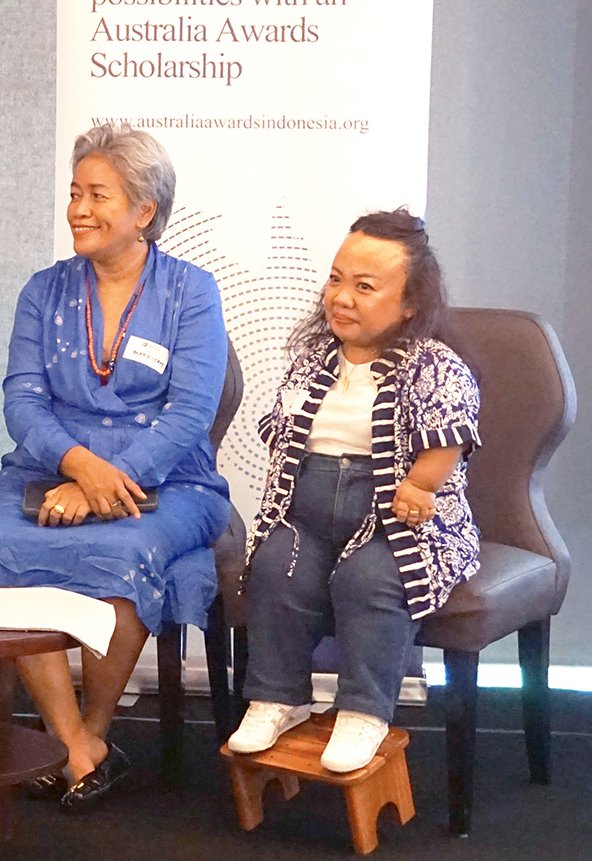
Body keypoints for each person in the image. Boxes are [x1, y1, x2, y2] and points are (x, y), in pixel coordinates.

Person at [0, 122, 230, 810]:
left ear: (144, 212)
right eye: (74, 192)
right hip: (49, 469)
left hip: (168, 479)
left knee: (130, 550)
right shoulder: (44, 291)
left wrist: (108, 484)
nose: (78, 210)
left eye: (98, 195)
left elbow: (191, 414)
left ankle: (88, 731)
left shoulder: (192, 292)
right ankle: (76, 746)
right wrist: (79, 465)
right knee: (0, 548)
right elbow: (22, 401)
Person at [229, 210, 480, 773]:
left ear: (410, 302)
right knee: (276, 569)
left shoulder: (435, 366)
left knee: (372, 580)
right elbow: (284, 426)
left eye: (364, 287)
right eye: (337, 279)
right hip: (308, 515)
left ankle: (364, 709)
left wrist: (420, 484)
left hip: (398, 520)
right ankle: (278, 696)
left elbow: (451, 434)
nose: (342, 297)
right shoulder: (312, 360)